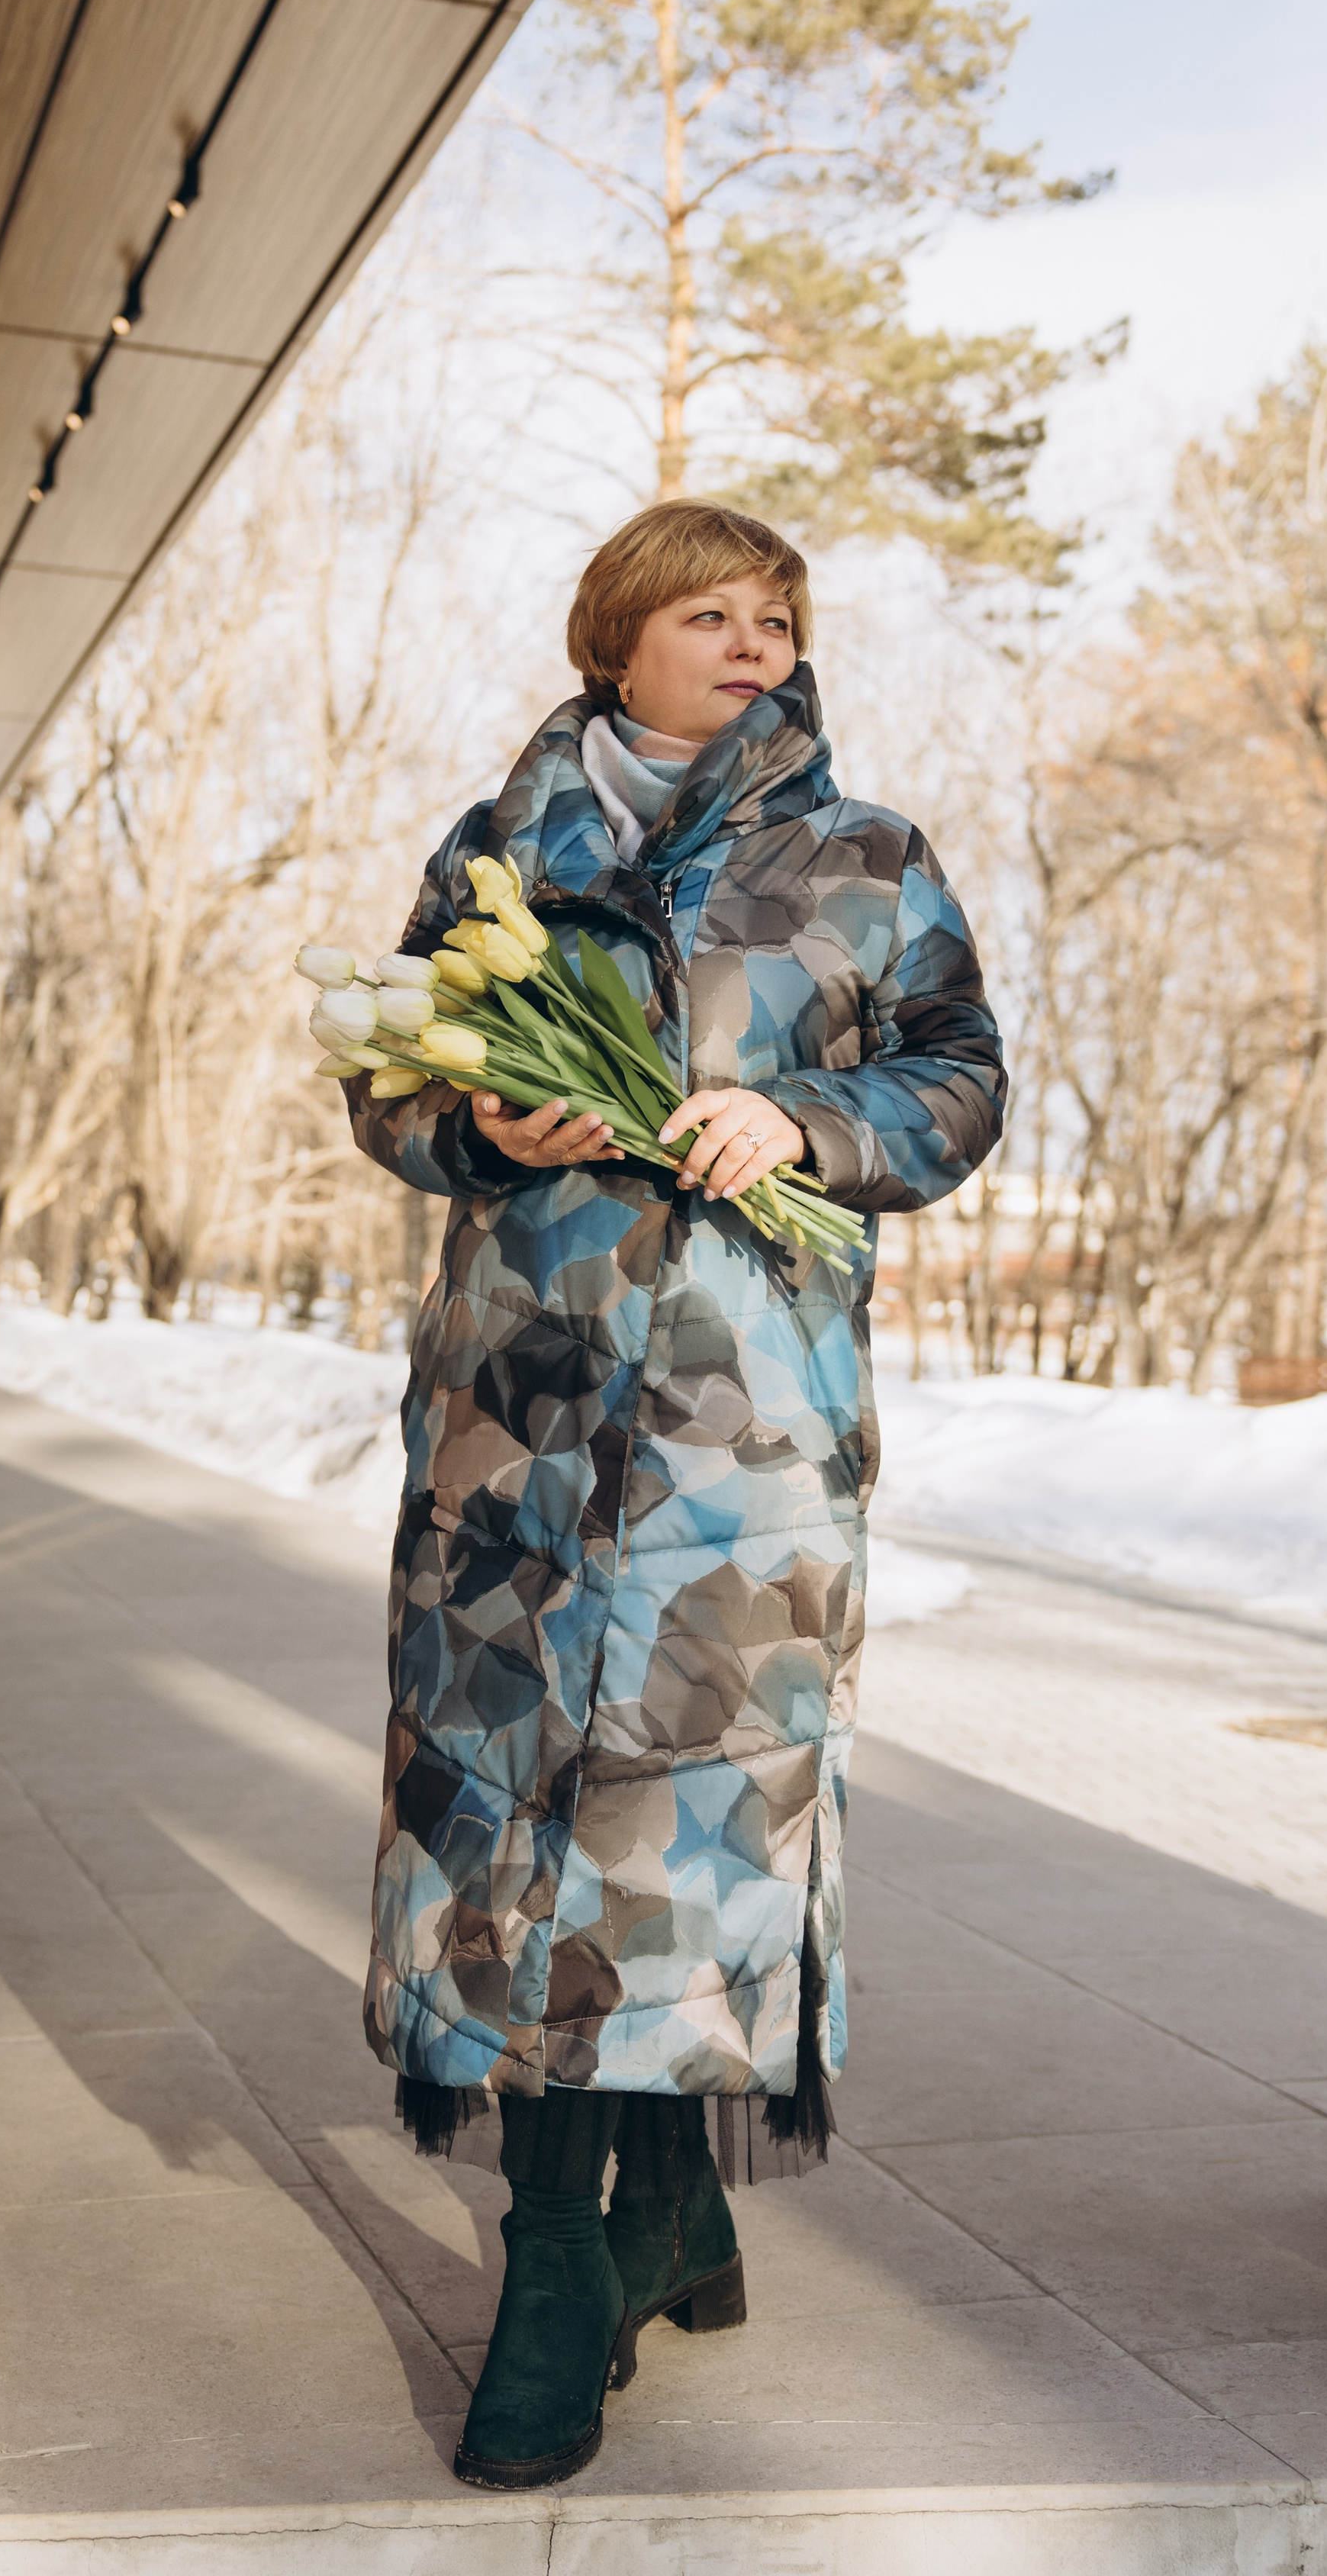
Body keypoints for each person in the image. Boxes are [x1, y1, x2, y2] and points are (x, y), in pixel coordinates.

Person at [343, 499, 1005, 2488]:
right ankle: (593, 2238)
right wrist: (473, 1114)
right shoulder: (496, 849)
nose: (752, 642)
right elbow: (386, 1076)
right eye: (708, 612)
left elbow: (959, 1076)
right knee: (521, 1824)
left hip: (744, 1440)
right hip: (515, 1435)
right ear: (612, 637)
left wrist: (803, 1114)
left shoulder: (868, 858)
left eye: (776, 617)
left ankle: (617, 2229)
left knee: (688, 1831)